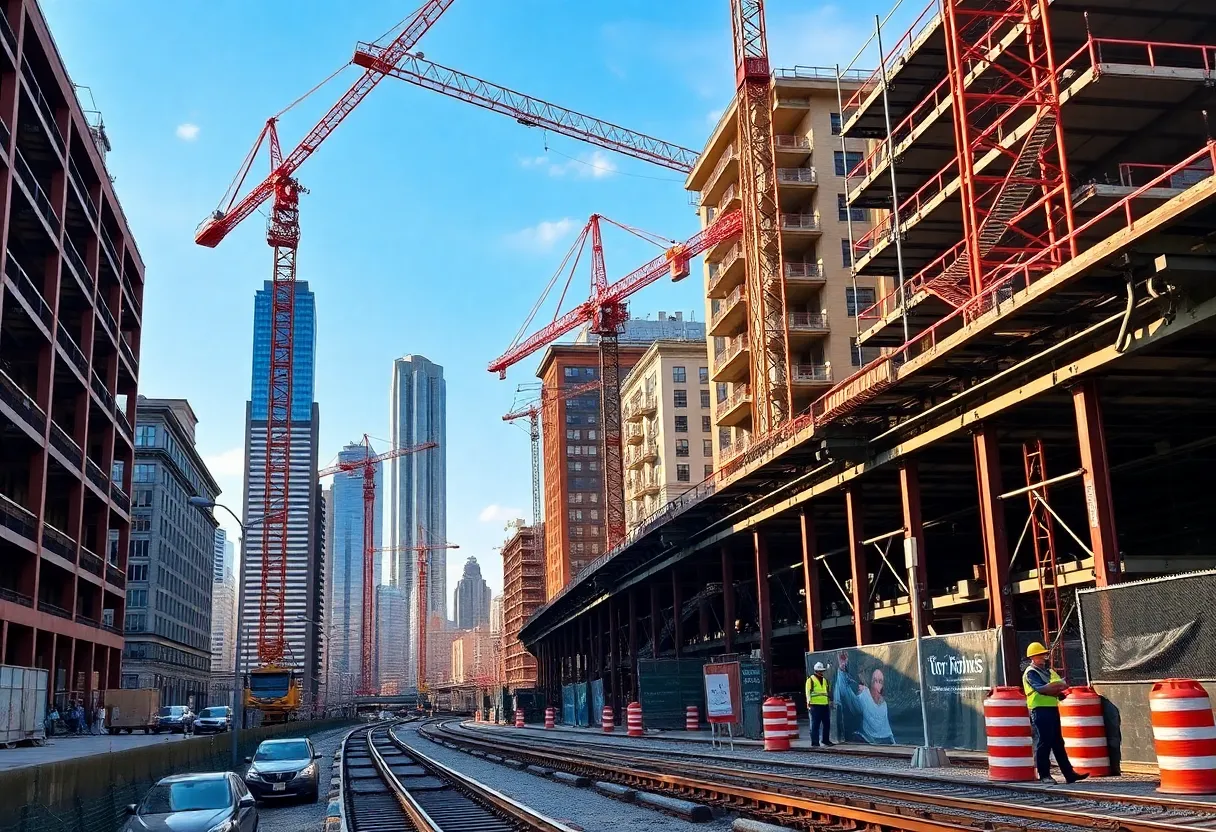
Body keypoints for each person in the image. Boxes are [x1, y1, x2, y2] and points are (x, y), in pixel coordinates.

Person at [1023, 641, 1089, 785]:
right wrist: (1055, 688)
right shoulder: (1031, 673)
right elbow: (1043, 689)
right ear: (1032, 657)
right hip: (1039, 710)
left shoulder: (1048, 671)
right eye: (1040, 655)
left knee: (1058, 743)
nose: (1043, 657)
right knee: (1044, 742)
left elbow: (1062, 686)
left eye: (1044, 655)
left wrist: (1055, 688)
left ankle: (1069, 774)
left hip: (1051, 709)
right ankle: (1044, 775)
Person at [806, 662, 833, 747]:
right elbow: (808, 692)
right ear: (816, 671)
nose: (821, 672)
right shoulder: (810, 680)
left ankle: (826, 740)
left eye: (822, 671)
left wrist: (829, 701)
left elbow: (826, 692)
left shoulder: (824, 680)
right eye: (820, 671)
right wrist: (809, 702)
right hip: (815, 705)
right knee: (815, 725)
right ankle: (815, 742)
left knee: (826, 724)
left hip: (824, 705)